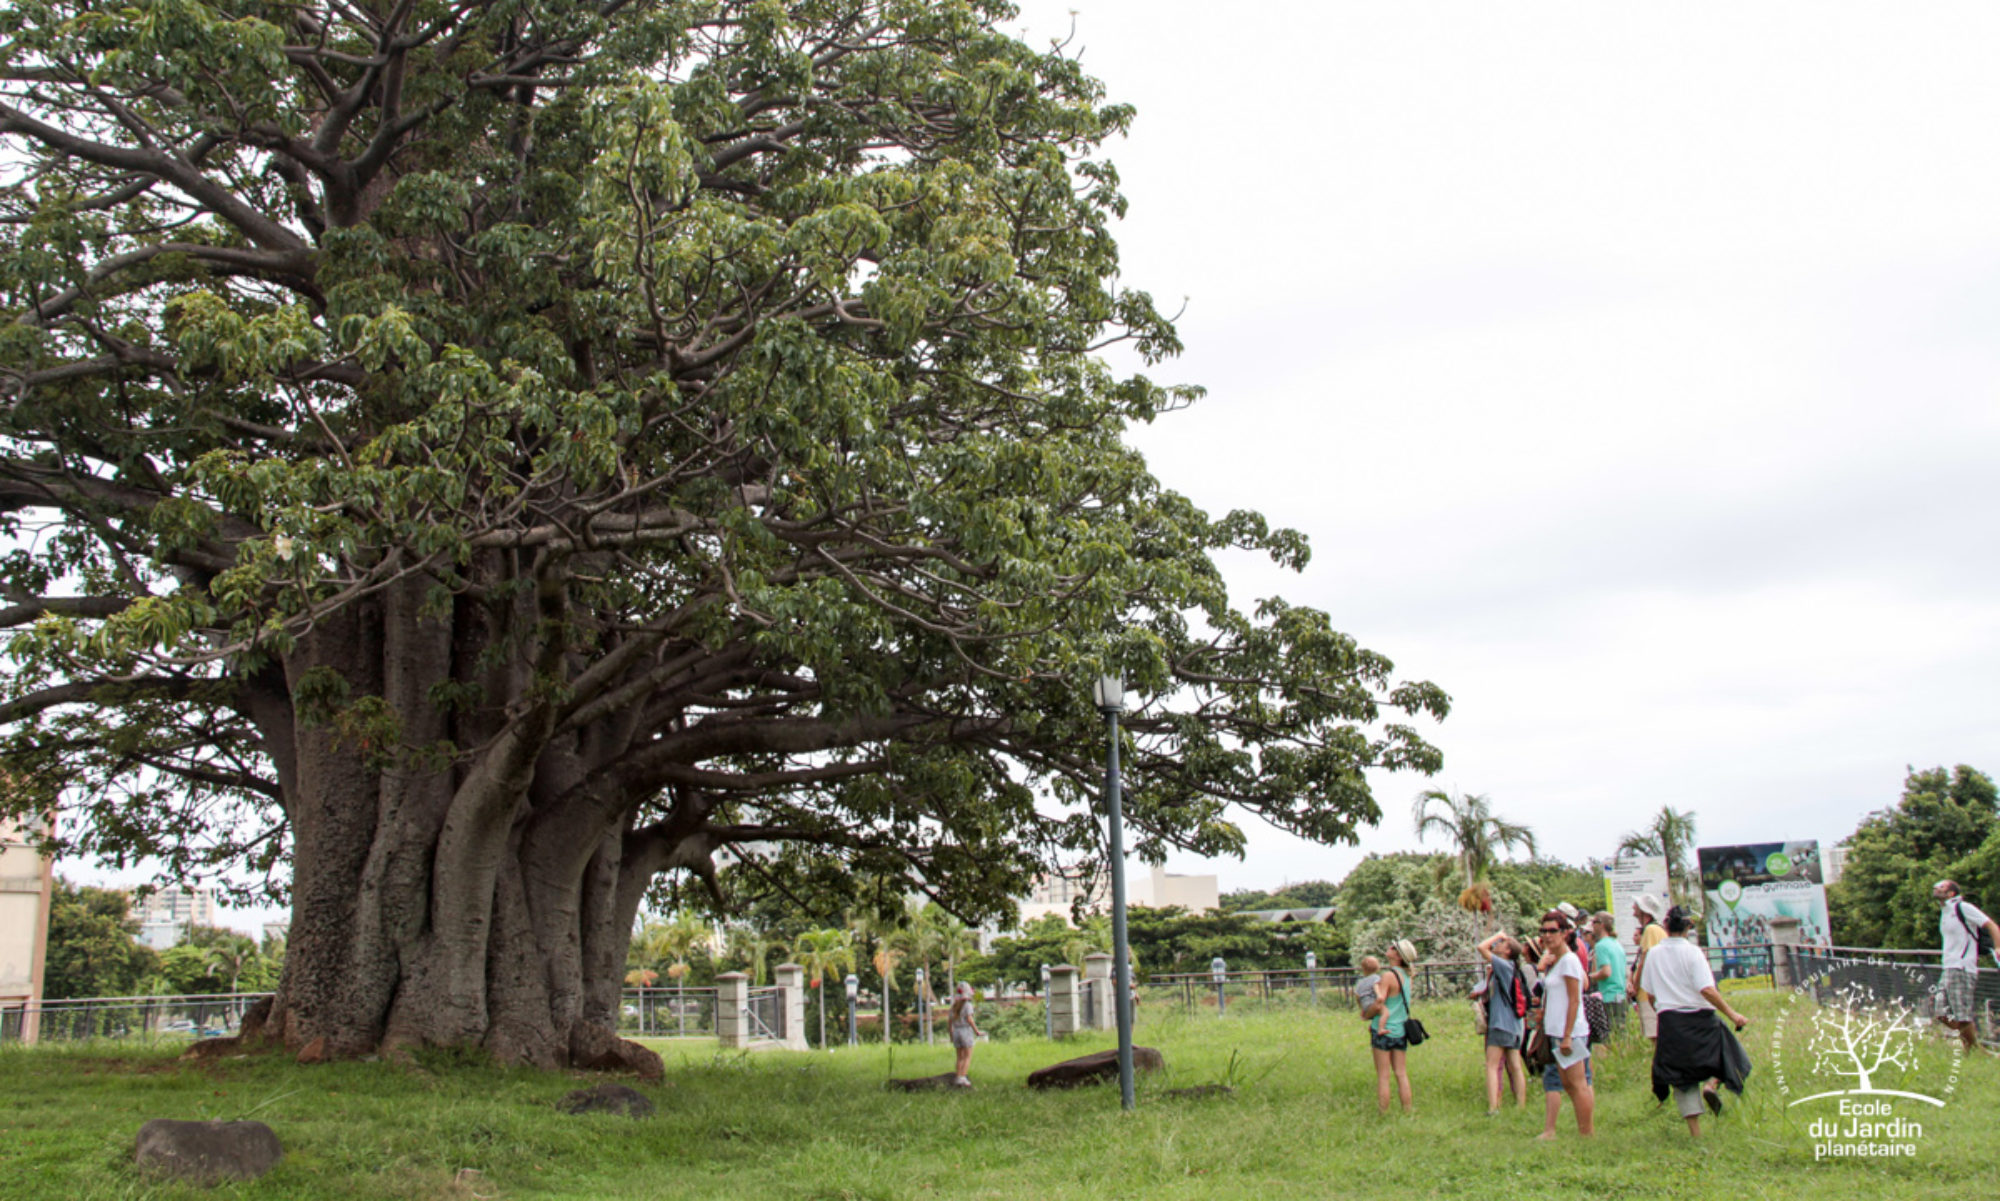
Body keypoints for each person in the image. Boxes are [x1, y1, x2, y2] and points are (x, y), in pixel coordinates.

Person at [1641, 906, 1751, 1138]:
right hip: (1700, 1018)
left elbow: (1650, 995)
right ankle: (1712, 1085)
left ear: (1666, 926)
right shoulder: (1693, 953)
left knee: (1681, 1077)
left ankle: (1695, 1133)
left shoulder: (1654, 954)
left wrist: (1664, 1013)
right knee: (1730, 1055)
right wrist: (1733, 1015)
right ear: (1689, 927)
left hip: (1670, 1021)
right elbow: (1707, 990)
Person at [1534, 911, 1594, 1139]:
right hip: (1556, 1030)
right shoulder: (1556, 961)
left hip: (1571, 1032)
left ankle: (1586, 1133)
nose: (1548, 936)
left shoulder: (1569, 961)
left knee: (1578, 1085)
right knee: (1567, 1084)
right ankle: (1583, 1131)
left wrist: (1568, 1035)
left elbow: (1575, 999)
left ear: (1565, 933)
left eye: (1552, 931)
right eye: (1544, 931)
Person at [1933, 880, 2000, 1051]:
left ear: (1951, 893)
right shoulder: (1945, 912)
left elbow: (1991, 925)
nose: (1936, 889)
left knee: (1961, 1015)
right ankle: (1975, 1044)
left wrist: (1998, 947)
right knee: (1941, 1013)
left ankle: (1972, 1049)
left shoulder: (1963, 908)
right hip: (1948, 967)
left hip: (1962, 967)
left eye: (1941, 887)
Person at [1475, 931, 1529, 1112]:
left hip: (1500, 1024)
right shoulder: (1513, 967)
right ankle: (1520, 1105)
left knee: (1491, 1065)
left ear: (1508, 950)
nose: (1496, 944)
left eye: (1501, 943)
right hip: (1514, 1025)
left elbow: (1481, 947)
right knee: (1515, 1066)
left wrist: (1499, 934)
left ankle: (1493, 1108)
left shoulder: (1504, 965)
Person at [1371, 939, 1417, 1113]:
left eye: (1393, 948)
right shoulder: (1407, 976)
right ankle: (1407, 1109)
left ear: (1397, 956)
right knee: (1401, 1073)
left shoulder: (1388, 976)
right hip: (1400, 1030)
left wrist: (1367, 1012)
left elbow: (1379, 1001)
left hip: (1383, 1030)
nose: (1389, 948)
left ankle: (1383, 1111)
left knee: (1383, 1076)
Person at [1628, 893, 1670, 1044]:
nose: (1633, 908)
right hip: (1652, 992)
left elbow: (1645, 960)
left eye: (1636, 905)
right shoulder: (1655, 929)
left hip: (1647, 993)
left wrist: (1636, 984)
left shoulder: (1651, 930)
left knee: (1656, 1038)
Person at [1588, 912, 1629, 1040]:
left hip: (1608, 997)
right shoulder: (1617, 944)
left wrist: (1591, 976)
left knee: (1609, 1038)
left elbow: (1606, 972)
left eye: (1594, 922)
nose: (1592, 926)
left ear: (1601, 925)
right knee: (1620, 1036)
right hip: (1621, 995)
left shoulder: (1601, 946)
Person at [948, 982, 983, 1086]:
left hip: (956, 1031)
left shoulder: (953, 1006)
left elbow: (949, 1022)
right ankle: (963, 1077)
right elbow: (969, 1019)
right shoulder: (968, 1005)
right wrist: (977, 1031)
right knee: (967, 1056)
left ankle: (958, 1076)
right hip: (966, 1031)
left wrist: (951, 1035)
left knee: (959, 1057)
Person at [1355, 954, 1382, 1023]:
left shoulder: (1360, 982)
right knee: (1386, 1012)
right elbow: (1376, 987)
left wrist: (1361, 1008)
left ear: (1363, 968)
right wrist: (1379, 996)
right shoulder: (1376, 978)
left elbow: (1357, 997)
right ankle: (1382, 1027)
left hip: (1365, 1005)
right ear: (1378, 968)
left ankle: (1366, 1017)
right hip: (1373, 1003)